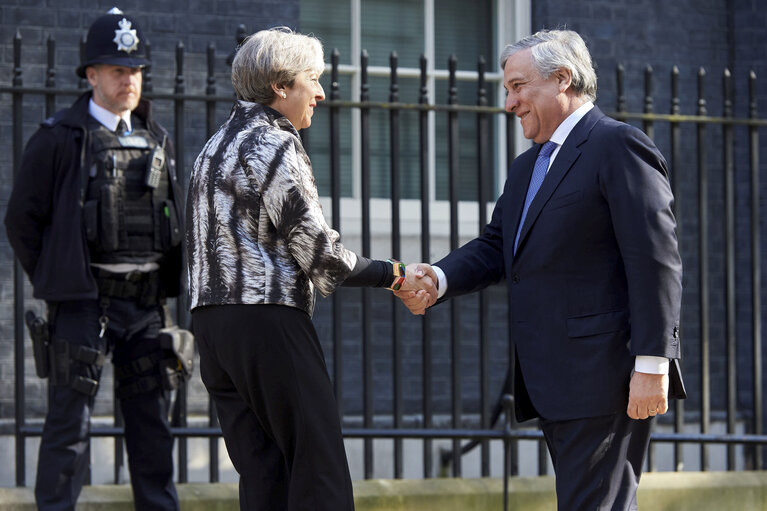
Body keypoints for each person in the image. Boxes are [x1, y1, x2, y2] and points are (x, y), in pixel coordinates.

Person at [398, 29, 686, 510]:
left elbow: (656, 259)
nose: (509, 103)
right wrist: (438, 279)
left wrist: (653, 365)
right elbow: (497, 247)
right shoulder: (526, 167)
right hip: (554, 379)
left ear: (562, 79)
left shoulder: (617, 146)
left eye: (517, 86)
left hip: (605, 378)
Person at [186, 27, 436, 511]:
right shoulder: (275, 144)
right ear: (281, 86)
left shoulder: (211, 147)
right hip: (269, 322)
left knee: (263, 474)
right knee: (318, 470)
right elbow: (321, 255)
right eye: (312, 79)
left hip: (212, 328)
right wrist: (396, 274)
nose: (320, 93)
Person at [4, 8, 185, 511]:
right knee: (70, 428)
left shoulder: (157, 137)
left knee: (152, 429)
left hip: (147, 305)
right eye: (117, 70)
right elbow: (22, 221)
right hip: (86, 305)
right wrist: (57, 277)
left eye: (135, 70)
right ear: (91, 75)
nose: (129, 80)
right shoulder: (59, 137)